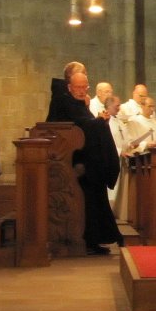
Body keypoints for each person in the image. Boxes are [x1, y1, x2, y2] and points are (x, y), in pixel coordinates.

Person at [50, 69, 122, 255]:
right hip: (77, 162)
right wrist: (98, 121)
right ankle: (88, 240)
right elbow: (77, 128)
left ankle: (95, 239)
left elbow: (87, 126)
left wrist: (99, 122)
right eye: (78, 87)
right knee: (88, 201)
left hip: (90, 163)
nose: (82, 91)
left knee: (96, 198)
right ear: (69, 87)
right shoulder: (65, 103)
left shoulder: (79, 104)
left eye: (85, 87)